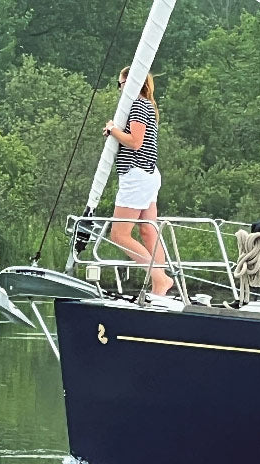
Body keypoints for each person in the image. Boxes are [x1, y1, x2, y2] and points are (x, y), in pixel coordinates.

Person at [103, 66, 173, 296]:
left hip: (136, 174)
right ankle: (160, 287)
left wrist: (113, 130)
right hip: (148, 174)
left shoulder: (138, 105)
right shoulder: (146, 105)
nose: (119, 89)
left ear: (132, 83)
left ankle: (160, 279)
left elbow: (135, 142)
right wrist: (115, 131)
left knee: (119, 235)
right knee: (148, 231)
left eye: (120, 84)